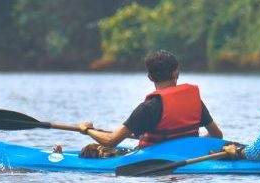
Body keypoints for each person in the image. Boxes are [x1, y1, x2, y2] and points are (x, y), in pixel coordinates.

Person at [78, 50, 223, 155]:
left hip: (155, 159)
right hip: (191, 155)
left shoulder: (148, 108)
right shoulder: (194, 101)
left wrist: (87, 129)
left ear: (149, 77)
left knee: (88, 151)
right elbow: (217, 135)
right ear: (175, 74)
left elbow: (111, 141)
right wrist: (191, 144)